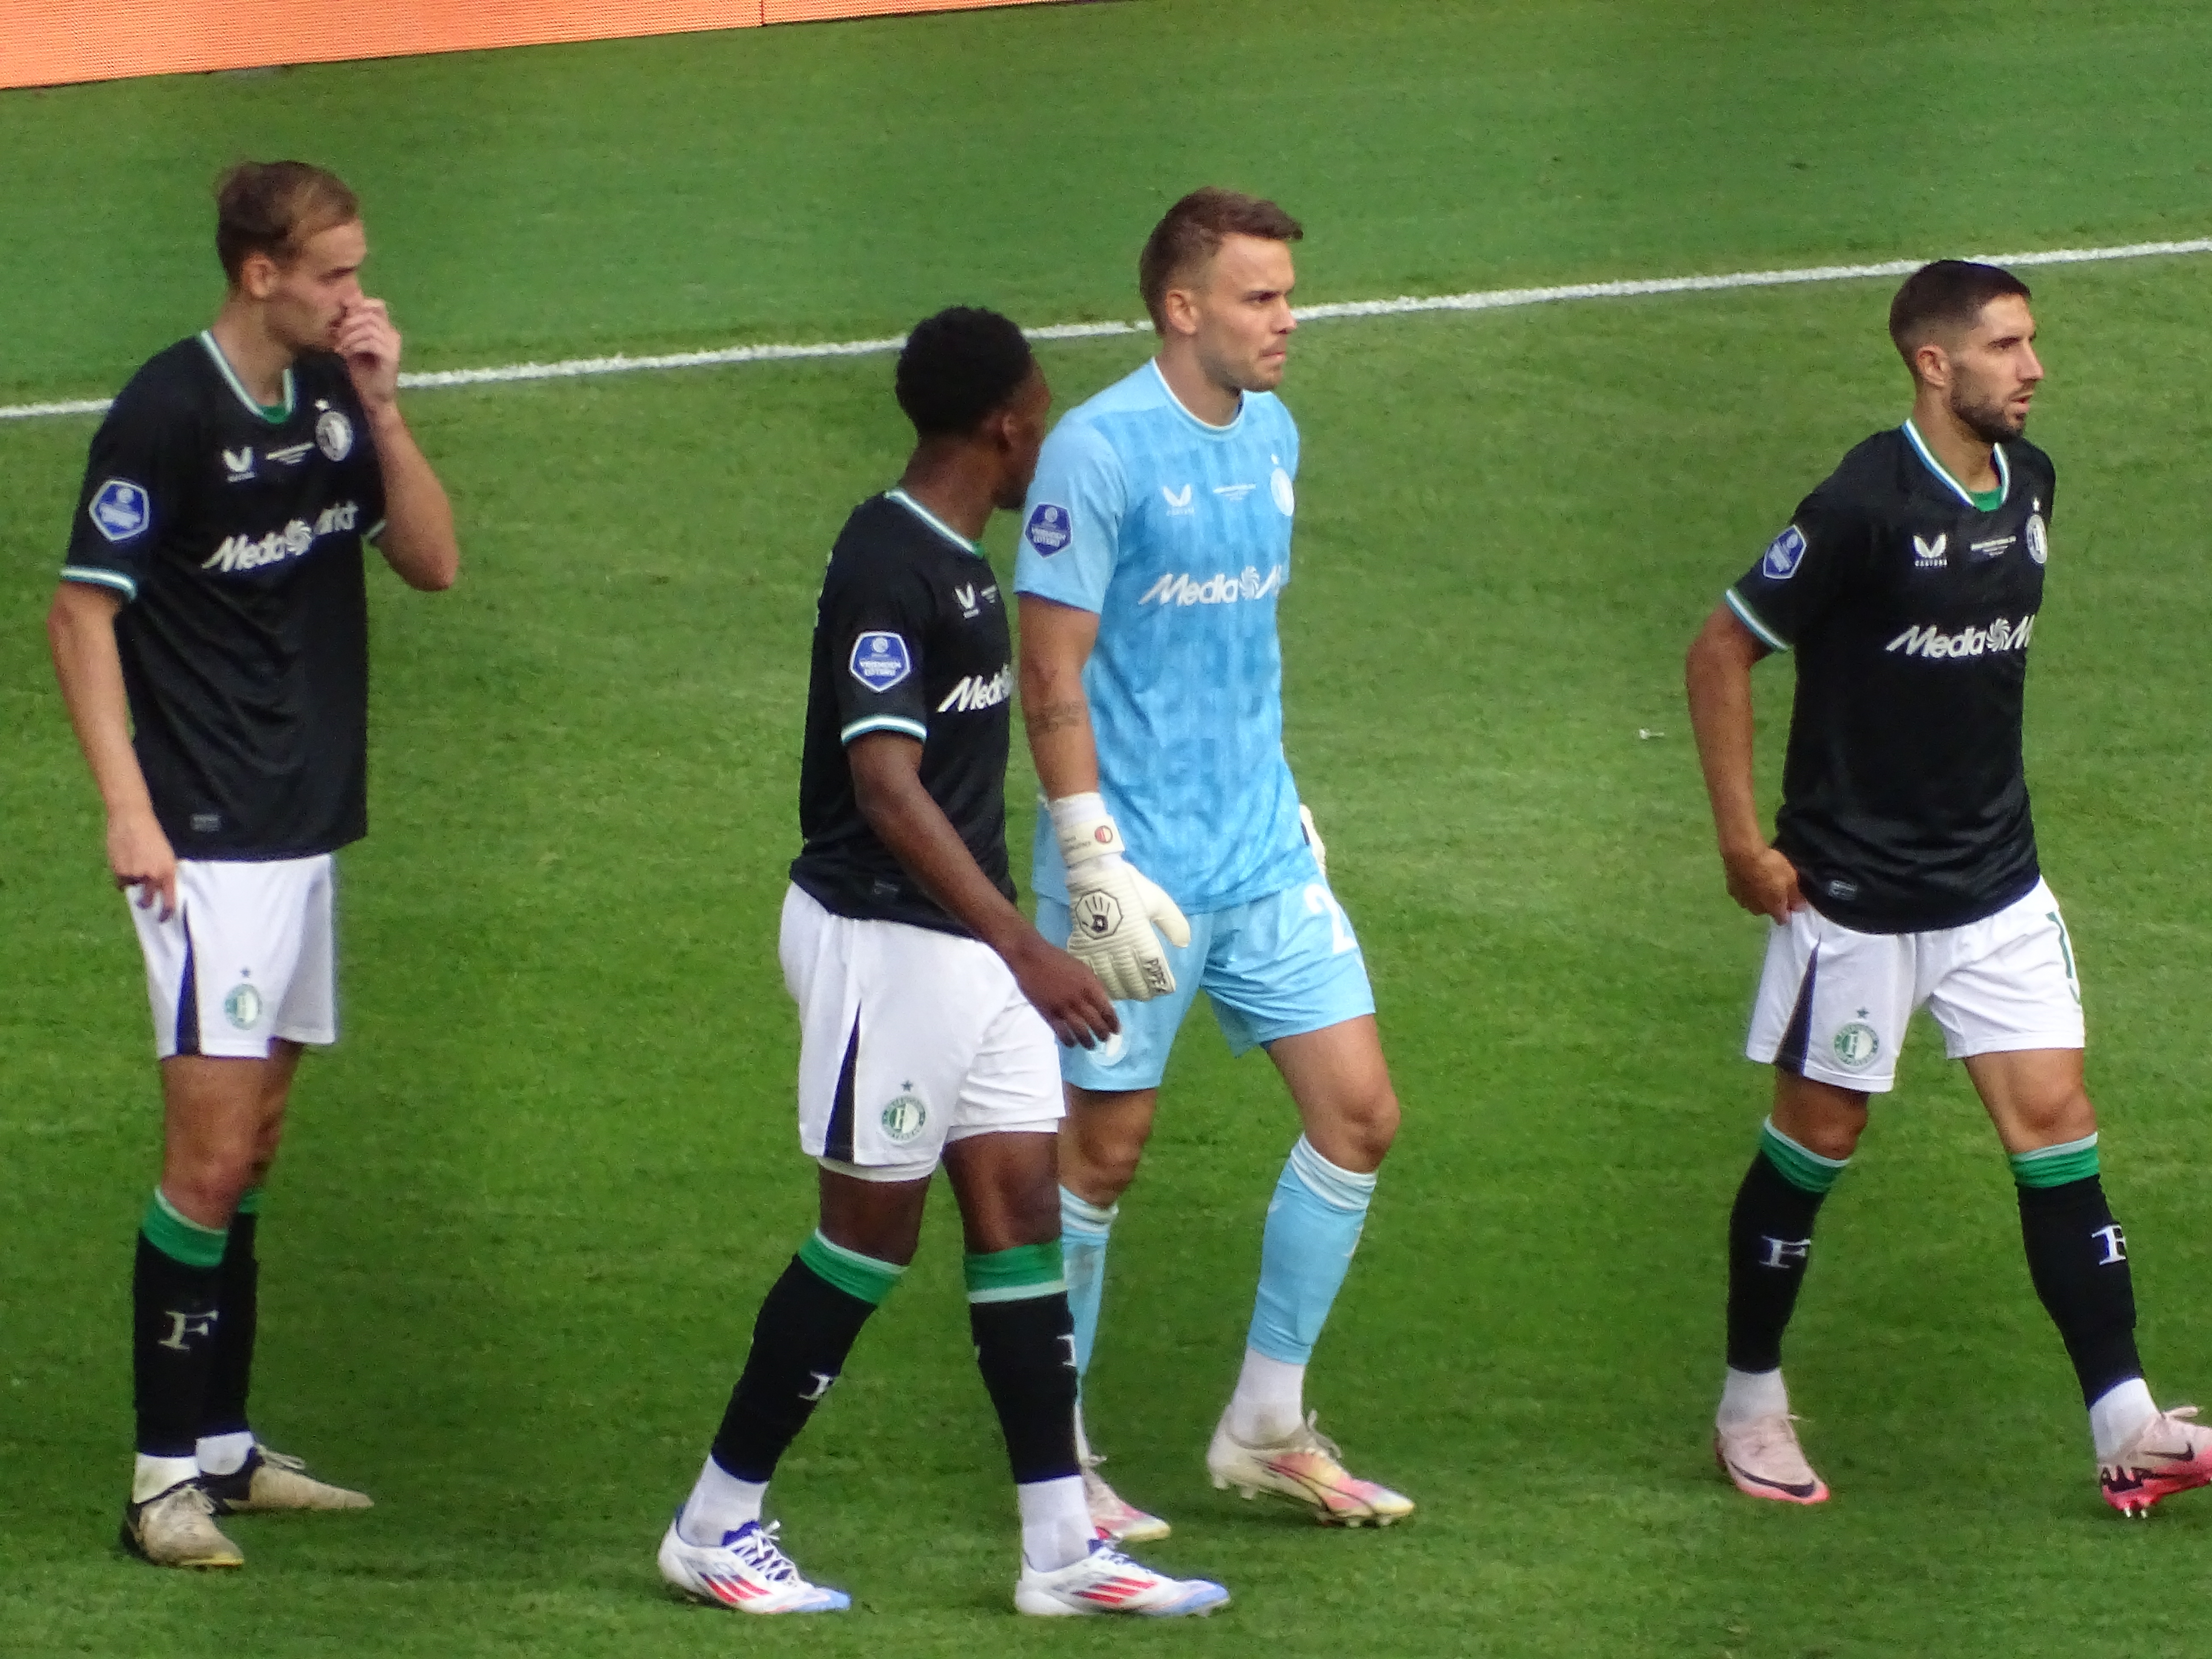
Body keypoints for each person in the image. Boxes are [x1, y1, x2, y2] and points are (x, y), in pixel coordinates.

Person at [656, 307, 1228, 1618]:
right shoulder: (889, 564)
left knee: (1021, 1216)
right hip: (881, 938)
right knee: (867, 1236)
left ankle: (1061, 1553)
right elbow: (885, 787)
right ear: (1003, 424)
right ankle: (714, 1523)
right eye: (1040, 408)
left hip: (964, 948)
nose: (1049, 430)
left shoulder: (965, 563)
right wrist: (1029, 945)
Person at [1685, 258, 2212, 1515]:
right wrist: (1741, 843)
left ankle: (2125, 1420)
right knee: (1820, 1139)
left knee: (2057, 1120)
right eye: (2008, 346)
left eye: (2033, 343)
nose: (2034, 369)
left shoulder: (2030, 483)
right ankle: (1748, 1400)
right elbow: (1720, 649)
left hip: (1997, 888)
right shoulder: (1862, 505)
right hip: (1857, 901)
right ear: (1935, 363)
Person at [47, 160, 460, 1569]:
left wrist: (390, 408)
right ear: (260, 274)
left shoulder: (339, 395)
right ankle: (161, 1481)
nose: (359, 294)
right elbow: (79, 614)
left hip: (305, 829)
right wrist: (127, 807)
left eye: (360, 269)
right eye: (335, 273)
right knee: (208, 1157)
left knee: (260, 1144)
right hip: (207, 844)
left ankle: (223, 1447)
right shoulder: (166, 412)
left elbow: (433, 562)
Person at [1013, 188, 1413, 1538]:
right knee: (1101, 1154)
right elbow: (1050, 670)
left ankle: (1265, 1422)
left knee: (1358, 1114)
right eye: (1260, 297)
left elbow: (1241, 652)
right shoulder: (1098, 450)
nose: (1287, 320)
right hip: (1129, 872)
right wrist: (1089, 854)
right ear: (1183, 309)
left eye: (1289, 294)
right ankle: (1053, 1452)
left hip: (1262, 856)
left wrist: (1289, 807)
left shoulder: (1277, 433)